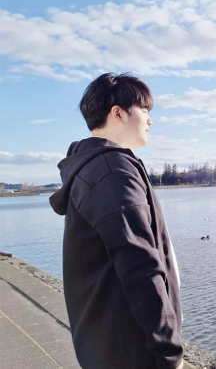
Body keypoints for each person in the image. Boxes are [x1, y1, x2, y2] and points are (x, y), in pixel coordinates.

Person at [50, 73, 184, 369]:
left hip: (106, 343)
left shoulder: (94, 165)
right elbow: (139, 264)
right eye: (144, 110)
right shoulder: (112, 171)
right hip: (131, 351)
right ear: (118, 113)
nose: (150, 120)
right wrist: (169, 351)